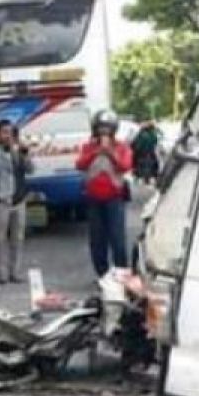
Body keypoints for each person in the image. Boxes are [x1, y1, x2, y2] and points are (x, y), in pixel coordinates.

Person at [76, 110, 133, 278]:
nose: (104, 132)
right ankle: (102, 274)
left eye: (107, 128)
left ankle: (122, 274)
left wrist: (110, 153)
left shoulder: (121, 147)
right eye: (101, 128)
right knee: (97, 239)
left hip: (114, 198)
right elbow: (80, 164)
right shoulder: (88, 147)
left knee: (117, 238)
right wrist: (96, 152)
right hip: (94, 198)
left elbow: (125, 165)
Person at [0, 119, 33, 283]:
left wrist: (24, 153)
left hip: (19, 199)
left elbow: (30, 169)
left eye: (10, 132)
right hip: (2, 200)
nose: (7, 136)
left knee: (18, 238)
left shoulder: (18, 152)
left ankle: (15, 271)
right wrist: (11, 152)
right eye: (4, 132)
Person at [131, 119, 162, 187]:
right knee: (148, 173)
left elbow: (136, 145)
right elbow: (155, 143)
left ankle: (140, 184)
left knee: (140, 172)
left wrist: (134, 150)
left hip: (142, 156)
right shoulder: (153, 134)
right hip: (150, 156)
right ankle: (147, 182)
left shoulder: (142, 134)